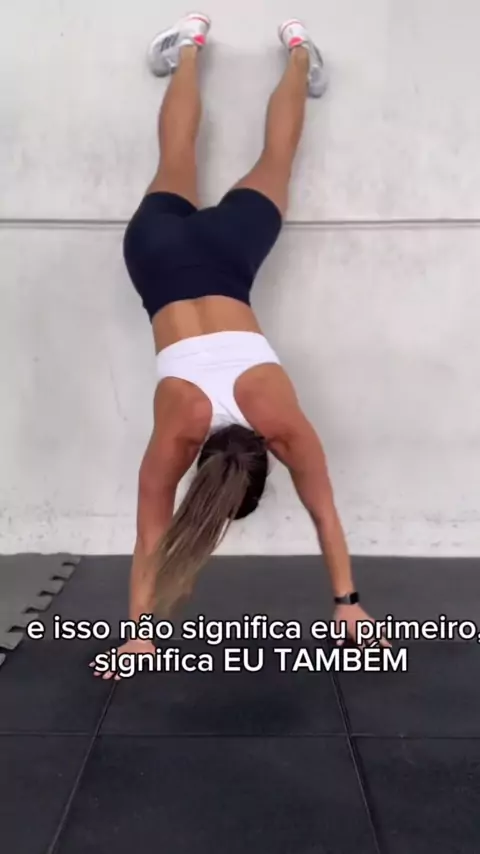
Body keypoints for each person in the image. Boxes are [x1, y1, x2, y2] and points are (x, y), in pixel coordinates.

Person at [92, 13, 388, 680]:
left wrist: (348, 604)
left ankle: (297, 51)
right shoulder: (177, 434)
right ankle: (190, 46)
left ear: (264, 460)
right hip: (157, 255)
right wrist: (138, 636)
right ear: (202, 466)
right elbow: (150, 540)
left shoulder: (279, 423)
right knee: (175, 156)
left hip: (227, 254)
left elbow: (325, 514)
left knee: (276, 158)